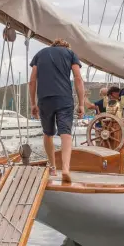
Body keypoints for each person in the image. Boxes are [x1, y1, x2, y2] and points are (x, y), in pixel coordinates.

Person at [30, 38, 85, 182]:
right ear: (66, 46)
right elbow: (78, 78)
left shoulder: (40, 54)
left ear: (53, 45)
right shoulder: (70, 53)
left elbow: (32, 80)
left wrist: (32, 103)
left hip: (45, 99)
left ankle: (53, 167)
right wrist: (81, 103)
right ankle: (65, 169)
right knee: (65, 133)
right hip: (64, 98)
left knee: (47, 133)